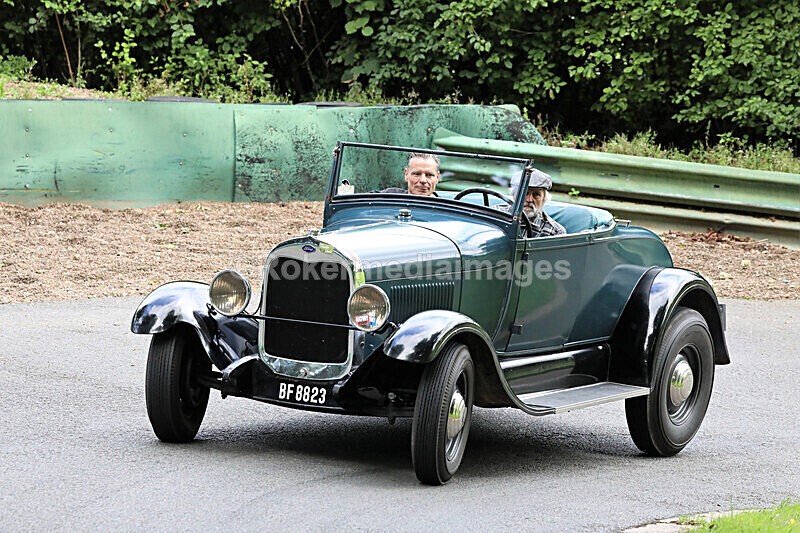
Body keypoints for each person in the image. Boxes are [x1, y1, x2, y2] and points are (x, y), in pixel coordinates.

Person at [511, 169, 566, 238]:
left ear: (544, 199)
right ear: (514, 195)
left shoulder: (555, 232)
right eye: (524, 193)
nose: (529, 200)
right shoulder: (497, 213)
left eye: (536, 195)